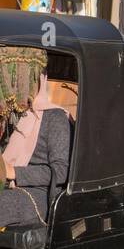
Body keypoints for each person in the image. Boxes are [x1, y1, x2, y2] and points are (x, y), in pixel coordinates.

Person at [0, 48, 71, 230]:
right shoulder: (10, 113)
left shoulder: (55, 117)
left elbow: (61, 172)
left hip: (37, 194)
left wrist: (14, 172)